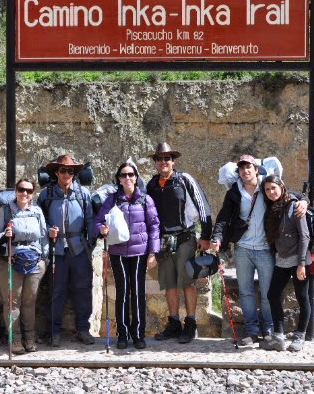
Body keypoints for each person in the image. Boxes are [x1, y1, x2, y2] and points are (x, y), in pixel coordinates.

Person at [210, 155, 307, 346]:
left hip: (265, 249)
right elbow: (223, 217)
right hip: (243, 248)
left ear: (256, 169)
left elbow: (290, 194)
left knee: (267, 291)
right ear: (238, 172)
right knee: (245, 291)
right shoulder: (234, 192)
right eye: (242, 168)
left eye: (249, 167)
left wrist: (304, 201)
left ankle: (268, 330)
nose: (246, 171)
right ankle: (252, 331)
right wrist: (217, 237)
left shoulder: (267, 187)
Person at [145, 142, 213, 344]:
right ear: (156, 163)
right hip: (164, 242)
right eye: (160, 159)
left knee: (187, 283)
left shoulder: (184, 180)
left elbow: (203, 207)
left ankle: (190, 323)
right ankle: (174, 323)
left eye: (167, 158)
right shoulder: (152, 185)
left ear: (173, 161)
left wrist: (206, 236)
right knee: (169, 285)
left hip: (185, 238)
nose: (163, 162)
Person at [94, 162, 161, 349]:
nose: (128, 178)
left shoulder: (145, 200)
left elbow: (154, 226)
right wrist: (102, 229)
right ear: (119, 179)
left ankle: (138, 334)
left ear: (136, 177)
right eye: (124, 175)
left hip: (140, 253)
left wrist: (153, 253)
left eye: (131, 174)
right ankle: (122, 334)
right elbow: (98, 221)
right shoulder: (112, 200)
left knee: (138, 293)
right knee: (122, 293)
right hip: (118, 252)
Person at [37, 155, 96, 347]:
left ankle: (83, 329)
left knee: (83, 290)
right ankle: (54, 332)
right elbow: (39, 220)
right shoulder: (46, 195)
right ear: (56, 172)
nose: (67, 174)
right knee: (56, 291)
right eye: (63, 170)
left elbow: (90, 221)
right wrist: (48, 231)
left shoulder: (83, 194)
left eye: (71, 171)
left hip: (79, 250)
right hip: (56, 251)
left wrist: (90, 245)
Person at [0, 178, 48, 354]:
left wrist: (44, 259)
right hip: (10, 261)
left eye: (29, 191)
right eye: (21, 190)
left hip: (34, 262)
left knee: (29, 302)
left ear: (32, 194)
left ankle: (29, 338)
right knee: (12, 303)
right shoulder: (4, 211)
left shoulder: (37, 211)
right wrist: (3, 234)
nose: (25, 194)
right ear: (16, 191)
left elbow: (43, 237)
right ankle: (14, 339)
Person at [260, 175, 312, 352]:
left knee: (302, 298)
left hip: (299, 259)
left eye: (273, 188)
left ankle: (299, 336)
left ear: (282, 187)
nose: (271, 192)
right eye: (267, 189)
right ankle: (278, 337)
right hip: (282, 259)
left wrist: (302, 264)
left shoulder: (294, 206)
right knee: (273, 294)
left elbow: (305, 236)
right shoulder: (273, 207)